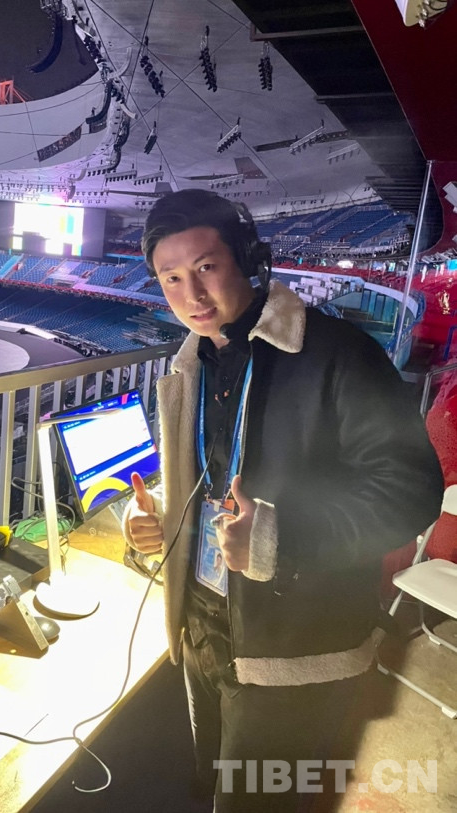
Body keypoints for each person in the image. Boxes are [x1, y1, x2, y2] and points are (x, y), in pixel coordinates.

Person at [122, 189, 443, 812]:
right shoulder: (192, 366)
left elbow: (409, 491)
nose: (192, 294)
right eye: (171, 278)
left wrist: (280, 537)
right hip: (204, 628)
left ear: (247, 260)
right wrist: (161, 517)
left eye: (207, 267)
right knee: (214, 784)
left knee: (260, 801)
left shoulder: (339, 353)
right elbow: (215, 483)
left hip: (292, 647)